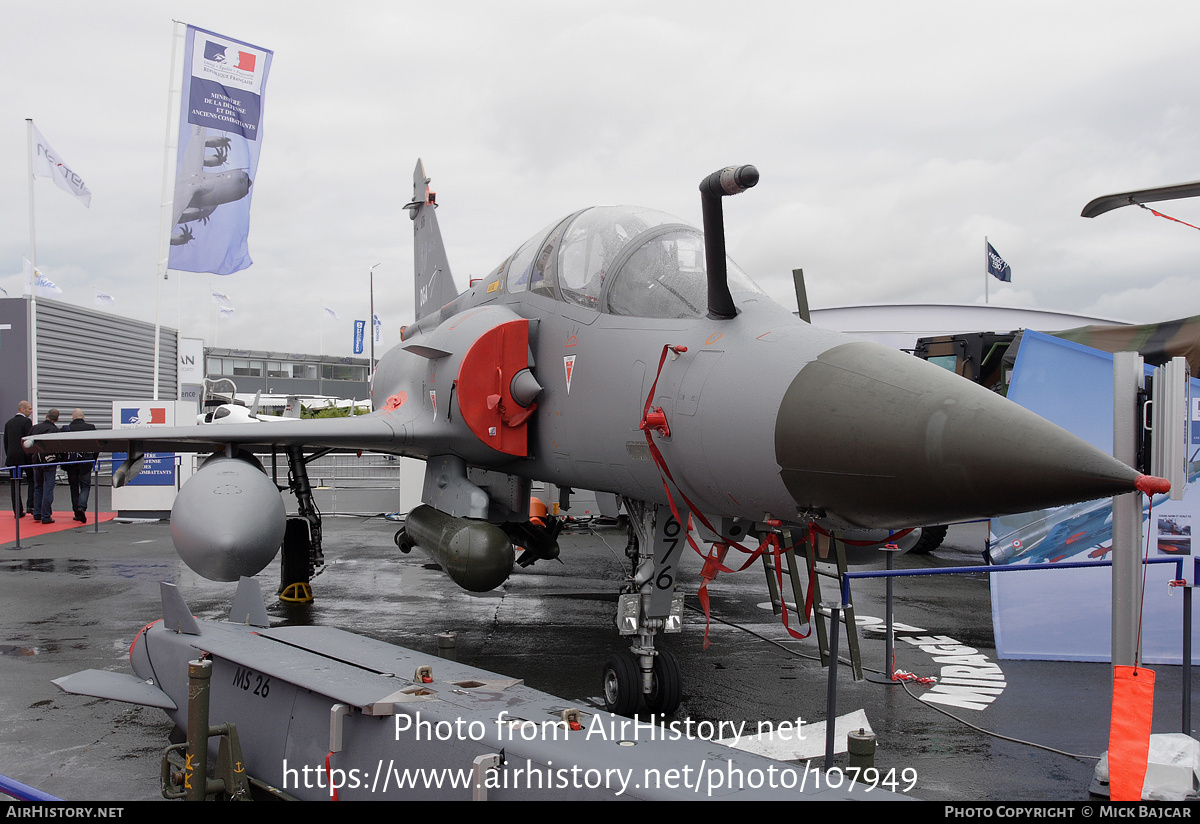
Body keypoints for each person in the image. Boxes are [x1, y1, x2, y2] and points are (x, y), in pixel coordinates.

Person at [29, 408, 61, 524]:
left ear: (46, 416)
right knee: (48, 487)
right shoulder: (55, 430)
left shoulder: (35, 428)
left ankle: (37, 513)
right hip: (49, 461)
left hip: (36, 459)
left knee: (38, 487)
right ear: (57, 419)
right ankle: (46, 515)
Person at [65, 408, 97, 522]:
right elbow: (96, 445)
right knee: (85, 486)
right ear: (83, 418)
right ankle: (81, 507)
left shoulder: (66, 429)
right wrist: (94, 459)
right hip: (86, 461)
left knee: (73, 487)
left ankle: (76, 513)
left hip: (71, 462)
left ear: (72, 418)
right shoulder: (91, 427)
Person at [4, 400, 34, 518]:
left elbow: (6, 442)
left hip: (12, 457)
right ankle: (31, 505)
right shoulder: (27, 422)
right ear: (22, 409)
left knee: (15, 483)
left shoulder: (8, 423)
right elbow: (28, 440)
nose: (31, 411)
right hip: (25, 458)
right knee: (32, 480)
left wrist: (9, 454)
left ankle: (17, 510)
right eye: (29, 409)